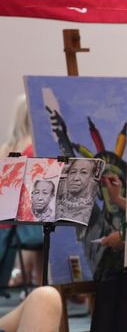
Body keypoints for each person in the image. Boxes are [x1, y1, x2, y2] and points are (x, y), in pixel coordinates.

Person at [0, 95, 44, 287]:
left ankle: (27, 279)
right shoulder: (34, 147)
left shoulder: (7, 148)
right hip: (26, 221)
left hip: (9, 220)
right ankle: (44, 288)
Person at [55, 159, 99, 223]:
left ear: (91, 177)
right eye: (73, 172)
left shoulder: (93, 211)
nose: (76, 178)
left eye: (83, 172)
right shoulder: (54, 203)